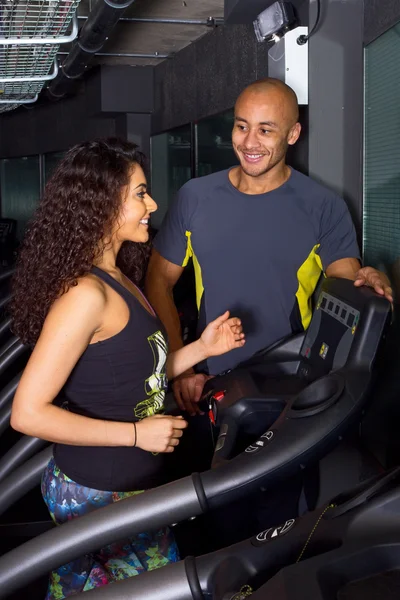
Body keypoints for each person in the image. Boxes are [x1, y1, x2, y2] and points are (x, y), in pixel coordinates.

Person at [9, 138, 245, 599]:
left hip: (126, 486)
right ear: (102, 202)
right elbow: (27, 413)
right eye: (140, 193)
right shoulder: (85, 296)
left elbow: (144, 371)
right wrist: (137, 435)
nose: (152, 204)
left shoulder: (118, 278)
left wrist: (201, 347)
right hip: (98, 490)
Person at [145, 77, 393, 417]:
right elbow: (158, 281)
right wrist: (182, 366)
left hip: (288, 378)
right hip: (209, 377)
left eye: (265, 130)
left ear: (292, 134)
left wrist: (367, 278)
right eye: (242, 126)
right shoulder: (195, 196)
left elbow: (346, 286)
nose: (249, 142)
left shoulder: (324, 206)